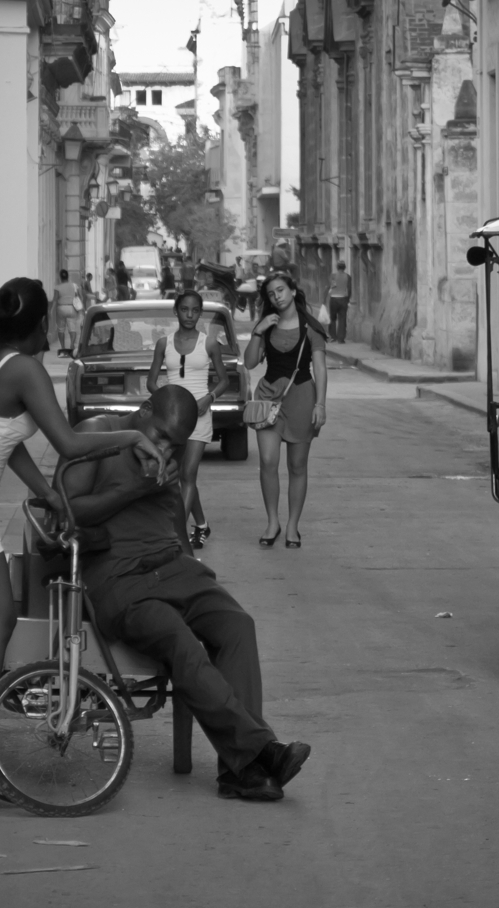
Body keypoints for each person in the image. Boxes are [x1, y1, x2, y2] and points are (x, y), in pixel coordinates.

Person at [0, 277, 165, 794]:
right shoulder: (27, 370)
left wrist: (49, 493)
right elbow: (67, 441)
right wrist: (133, 433)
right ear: (42, 324)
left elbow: (2, 437)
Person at [61, 385, 313, 801]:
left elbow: (175, 527)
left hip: (173, 569)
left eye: (173, 445)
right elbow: (65, 511)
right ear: (142, 411)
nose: (162, 449)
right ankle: (257, 755)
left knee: (237, 625)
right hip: (120, 581)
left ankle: (239, 769)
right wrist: (134, 489)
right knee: (180, 643)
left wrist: (195, 570)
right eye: (159, 436)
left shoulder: (168, 459)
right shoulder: (99, 432)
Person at [244, 272, 328, 548]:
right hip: (268, 397)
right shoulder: (266, 325)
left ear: (293, 290)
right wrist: (258, 330)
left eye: (281, 290)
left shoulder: (310, 328)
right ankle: (272, 522)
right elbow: (250, 362)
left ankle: (292, 526)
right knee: (268, 461)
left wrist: (320, 405)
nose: (277, 296)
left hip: (301, 397)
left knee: (297, 465)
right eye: (271, 293)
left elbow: (320, 368)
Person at [147, 290, 232, 550]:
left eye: (195, 310)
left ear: (200, 312)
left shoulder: (209, 344)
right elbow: (151, 382)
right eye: (184, 309)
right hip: (173, 420)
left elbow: (225, 379)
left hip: (201, 415)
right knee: (181, 477)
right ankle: (202, 524)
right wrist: (166, 400)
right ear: (176, 310)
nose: (190, 315)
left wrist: (210, 397)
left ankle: (177, 533)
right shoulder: (164, 343)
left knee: (188, 473)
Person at [54, 269, 80, 357]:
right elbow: (79, 297)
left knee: (61, 329)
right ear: (68, 276)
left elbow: (55, 300)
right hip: (72, 307)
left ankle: (63, 348)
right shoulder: (74, 285)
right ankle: (72, 345)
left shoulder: (57, 287)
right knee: (72, 329)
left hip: (61, 308)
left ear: (60, 277)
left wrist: (52, 311)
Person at [327, 260, 352, 343]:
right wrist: (347, 300)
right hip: (343, 299)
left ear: (337, 267)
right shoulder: (348, 276)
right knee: (342, 319)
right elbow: (349, 289)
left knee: (333, 318)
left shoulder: (333, 276)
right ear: (344, 267)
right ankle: (341, 339)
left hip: (333, 299)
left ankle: (333, 337)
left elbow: (330, 286)